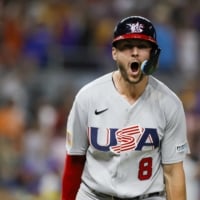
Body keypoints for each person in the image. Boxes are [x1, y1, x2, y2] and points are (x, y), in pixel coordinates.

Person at [61, 16, 190, 200]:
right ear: (114, 53)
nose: (135, 52)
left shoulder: (169, 104)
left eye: (143, 46)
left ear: (153, 54)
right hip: (95, 195)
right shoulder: (88, 97)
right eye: (127, 46)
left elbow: (173, 172)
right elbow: (74, 161)